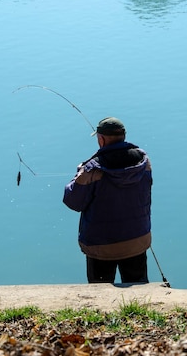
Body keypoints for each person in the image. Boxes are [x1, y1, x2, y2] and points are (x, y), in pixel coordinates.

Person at [63, 117, 152, 284]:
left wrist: (79, 176)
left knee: (100, 291)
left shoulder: (91, 170)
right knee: (139, 288)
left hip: (101, 245)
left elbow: (73, 201)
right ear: (123, 136)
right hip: (137, 240)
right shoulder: (143, 162)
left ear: (101, 139)